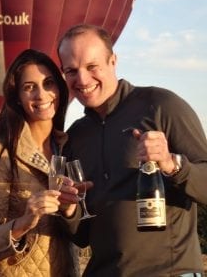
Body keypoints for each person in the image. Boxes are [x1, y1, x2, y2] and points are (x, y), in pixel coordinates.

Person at [57, 24, 207, 276]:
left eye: (92, 67)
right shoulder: (75, 136)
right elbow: (83, 237)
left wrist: (173, 164)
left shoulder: (161, 106)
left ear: (113, 61)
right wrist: (69, 209)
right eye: (71, 70)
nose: (82, 80)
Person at [0, 49, 82, 276]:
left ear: (60, 88)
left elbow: (81, 234)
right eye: (30, 87)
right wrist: (24, 223)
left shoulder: (70, 150)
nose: (41, 94)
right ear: (17, 97)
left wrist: (71, 210)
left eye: (49, 83)